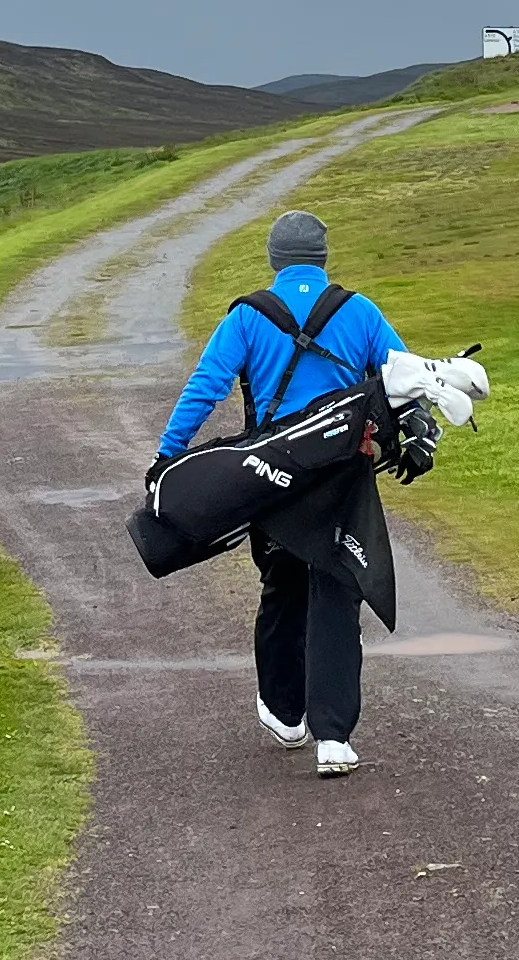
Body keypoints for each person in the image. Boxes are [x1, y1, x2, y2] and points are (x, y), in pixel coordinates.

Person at [155, 205, 405, 775]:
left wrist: (168, 455)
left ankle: (285, 710)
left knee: (282, 586)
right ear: (323, 258)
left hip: (271, 476)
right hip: (342, 478)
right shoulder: (359, 311)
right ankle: (334, 739)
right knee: (339, 591)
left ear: (273, 261)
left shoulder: (247, 316)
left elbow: (206, 387)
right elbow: (403, 379)